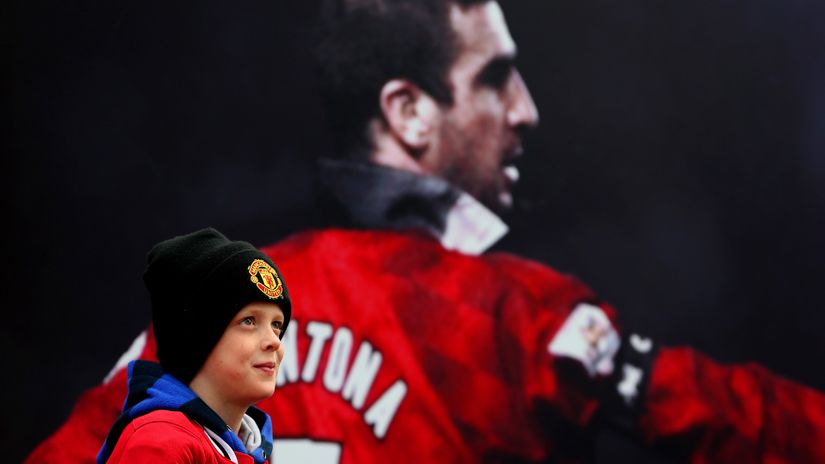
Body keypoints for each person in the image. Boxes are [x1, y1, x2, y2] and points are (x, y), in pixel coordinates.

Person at [27, 0, 825, 463]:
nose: (525, 110)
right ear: (408, 112)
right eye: (494, 77)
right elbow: (737, 419)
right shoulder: (506, 318)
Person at [97, 228, 292, 463]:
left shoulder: (251, 447)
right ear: (198, 336)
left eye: (277, 325)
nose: (274, 341)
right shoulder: (160, 443)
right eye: (249, 321)